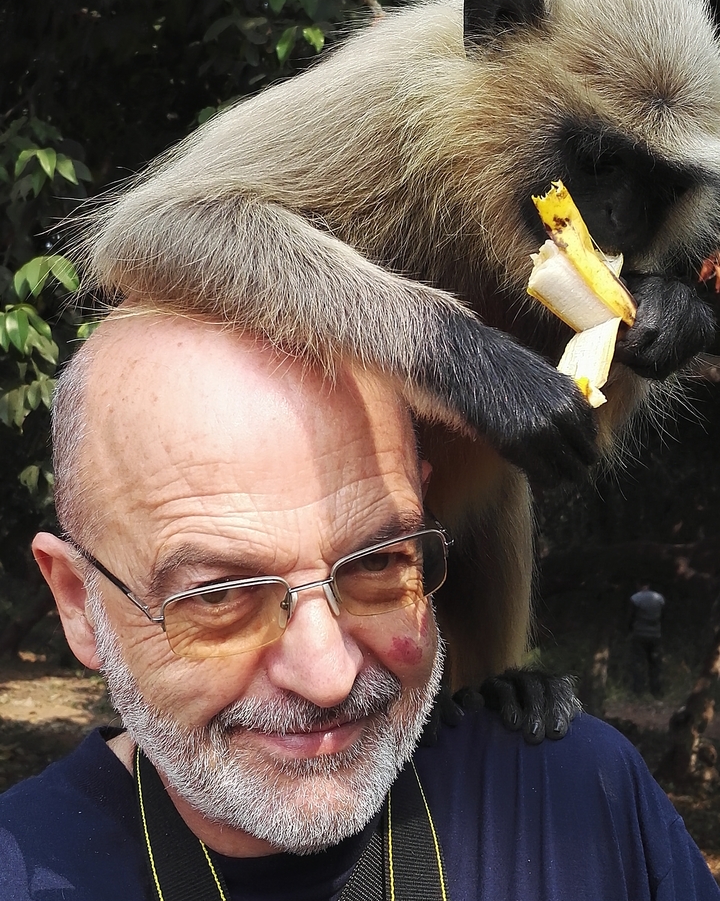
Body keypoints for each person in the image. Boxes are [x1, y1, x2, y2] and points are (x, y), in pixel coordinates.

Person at [0, 303, 717, 901]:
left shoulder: (581, 799)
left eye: (378, 563)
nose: (329, 677)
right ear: (78, 601)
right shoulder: (24, 868)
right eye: (221, 596)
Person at [630, 582, 666, 698]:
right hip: (655, 635)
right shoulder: (659, 598)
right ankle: (656, 691)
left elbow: (631, 617)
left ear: (638, 585)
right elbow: (663, 617)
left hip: (639, 634)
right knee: (655, 664)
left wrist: (630, 629)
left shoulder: (635, 598)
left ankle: (638, 691)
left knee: (638, 663)